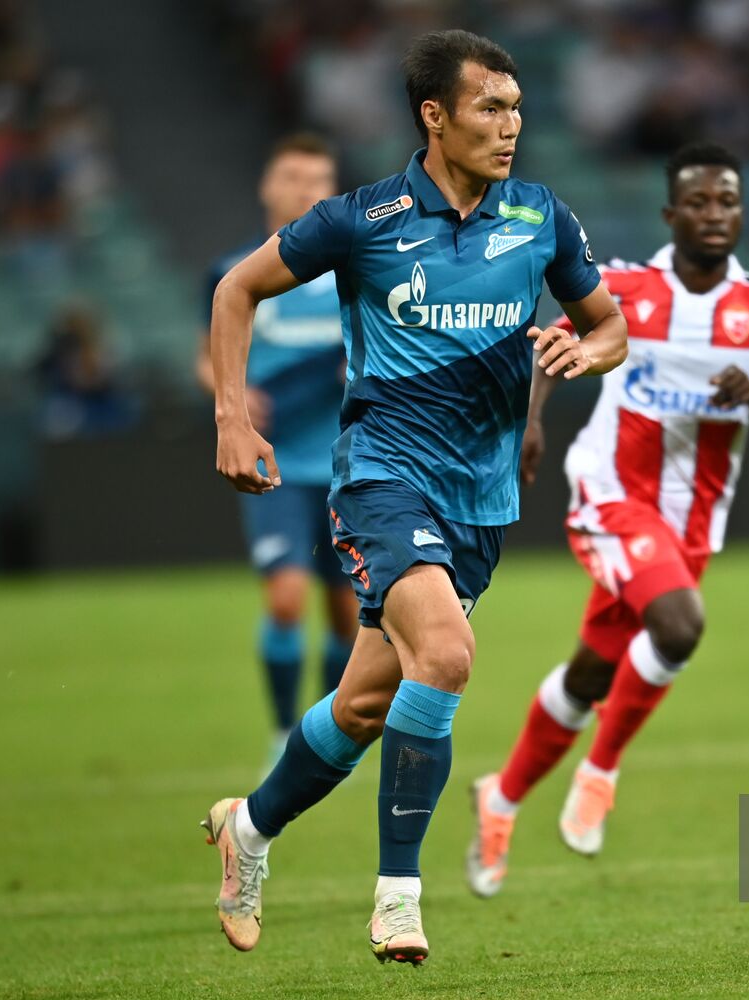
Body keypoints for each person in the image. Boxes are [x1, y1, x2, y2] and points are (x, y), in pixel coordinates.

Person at [200, 30, 627, 965]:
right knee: (446, 653)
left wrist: (579, 351)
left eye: (516, 108)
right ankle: (398, 897)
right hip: (383, 476)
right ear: (434, 116)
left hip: (479, 499)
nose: (510, 126)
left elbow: (610, 326)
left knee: (361, 707)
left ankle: (251, 829)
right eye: (489, 108)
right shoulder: (363, 218)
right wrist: (234, 416)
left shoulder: (540, 217)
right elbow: (237, 288)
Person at [465, 142, 749, 898]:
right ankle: (601, 769)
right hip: (609, 494)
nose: (714, 214)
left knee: (590, 673)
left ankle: (503, 797)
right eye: (699, 201)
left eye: (727, 201)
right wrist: (529, 422)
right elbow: (552, 342)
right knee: (680, 626)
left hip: (692, 525)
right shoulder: (622, 285)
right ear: (670, 213)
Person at [195, 134, 357, 766]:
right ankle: (283, 732)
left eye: (318, 178)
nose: (304, 188)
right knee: (286, 597)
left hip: (349, 462)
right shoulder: (234, 273)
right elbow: (204, 360)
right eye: (291, 175)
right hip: (276, 462)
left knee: (347, 615)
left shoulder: (353, 273)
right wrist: (232, 397)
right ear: (268, 185)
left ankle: (326, 740)